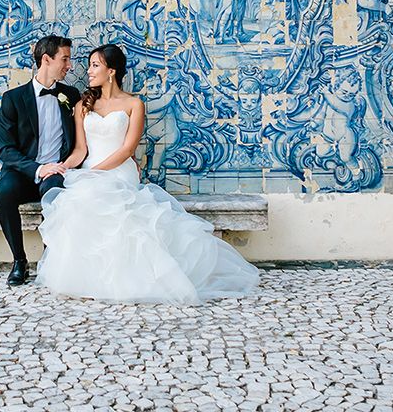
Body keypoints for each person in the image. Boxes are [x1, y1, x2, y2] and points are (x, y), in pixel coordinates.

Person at [35, 44, 259, 303]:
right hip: (89, 172)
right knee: (78, 202)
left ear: (112, 71)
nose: (89, 71)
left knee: (115, 207)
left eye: (95, 65)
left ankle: (135, 278)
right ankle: (89, 279)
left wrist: (95, 172)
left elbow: (127, 148)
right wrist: (65, 167)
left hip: (119, 172)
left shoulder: (134, 104)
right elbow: (80, 149)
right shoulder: (83, 105)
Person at [0, 35, 81, 287]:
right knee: (4, 193)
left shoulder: (71, 95)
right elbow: (6, 150)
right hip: (23, 171)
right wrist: (38, 168)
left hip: (57, 169)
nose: (69, 65)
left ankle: (48, 260)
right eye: (65, 59)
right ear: (46, 59)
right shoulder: (13, 99)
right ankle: (19, 261)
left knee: (54, 191)